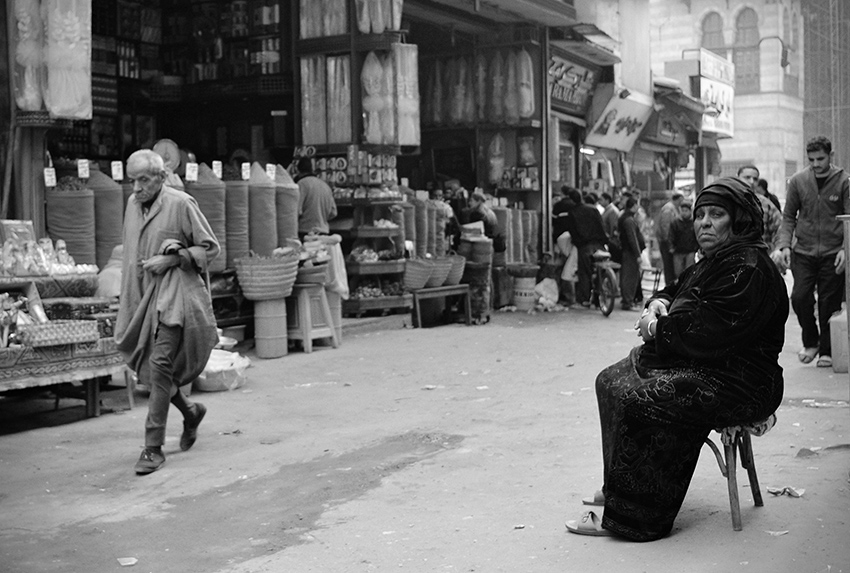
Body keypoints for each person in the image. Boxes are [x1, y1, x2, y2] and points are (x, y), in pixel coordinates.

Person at [566, 177, 788, 540]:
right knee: (610, 380)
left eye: (716, 215)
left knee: (644, 399)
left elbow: (706, 333)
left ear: (740, 221)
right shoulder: (717, 260)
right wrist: (659, 303)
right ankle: (620, 487)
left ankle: (636, 517)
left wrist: (656, 329)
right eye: (700, 214)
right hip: (712, 366)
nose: (703, 222)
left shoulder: (748, 268)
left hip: (743, 382)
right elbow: (675, 289)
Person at [115, 149, 220, 475]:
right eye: (132, 180)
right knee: (149, 370)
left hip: (174, 299)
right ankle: (190, 412)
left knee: (159, 365)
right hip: (141, 299)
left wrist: (174, 258)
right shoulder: (132, 206)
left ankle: (152, 447)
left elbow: (210, 248)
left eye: (143, 180)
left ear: (161, 177)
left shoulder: (181, 204)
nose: (136, 188)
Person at [772, 135, 850, 367]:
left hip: (833, 251)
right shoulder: (798, 181)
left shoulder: (844, 181)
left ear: (830, 156)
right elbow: (788, 217)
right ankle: (811, 341)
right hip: (803, 251)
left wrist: (846, 249)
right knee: (799, 297)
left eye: (821, 159)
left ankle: (826, 350)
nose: (816, 164)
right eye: (812, 159)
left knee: (829, 303)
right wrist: (783, 245)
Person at [560, 187, 609, 307]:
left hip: (584, 247)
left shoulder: (573, 212)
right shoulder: (593, 209)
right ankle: (598, 299)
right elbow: (602, 226)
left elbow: (573, 232)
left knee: (585, 273)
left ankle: (584, 299)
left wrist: (578, 243)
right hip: (599, 245)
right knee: (600, 271)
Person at [737, 165, 781, 251]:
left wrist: (778, 250)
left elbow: (780, 229)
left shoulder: (766, 204)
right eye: (747, 177)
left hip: (761, 256)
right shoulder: (728, 202)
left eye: (755, 179)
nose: (751, 181)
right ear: (738, 178)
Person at [295, 157, 337, 238]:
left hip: (306, 232)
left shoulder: (301, 184)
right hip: (324, 232)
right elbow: (334, 212)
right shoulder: (325, 186)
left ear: (299, 171)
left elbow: (297, 211)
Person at [617, 196, 645, 310]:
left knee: (630, 276)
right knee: (629, 277)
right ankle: (627, 302)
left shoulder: (626, 217)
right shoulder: (629, 220)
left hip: (628, 252)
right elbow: (632, 238)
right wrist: (638, 255)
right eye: (637, 205)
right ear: (633, 206)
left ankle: (628, 300)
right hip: (630, 253)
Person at [655, 190, 684, 286]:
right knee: (669, 267)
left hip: (670, 242)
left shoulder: (673, 208)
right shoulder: (668, 209)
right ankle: (669, 286)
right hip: (666, 243)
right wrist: (669, 243)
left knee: (672, 267)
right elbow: (665, 227)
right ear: (679, 199)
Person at [669, 200, 699, 278]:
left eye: (686, 211)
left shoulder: (694, 222)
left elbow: (697, 235)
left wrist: (696, 247)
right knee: (678, 272)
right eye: (682, 211)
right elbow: (671, 235)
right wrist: (671, 247)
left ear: (690, 211)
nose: (684, 213)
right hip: (678, 251)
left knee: (689, 272)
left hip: (690, 251)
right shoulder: (675, 222)